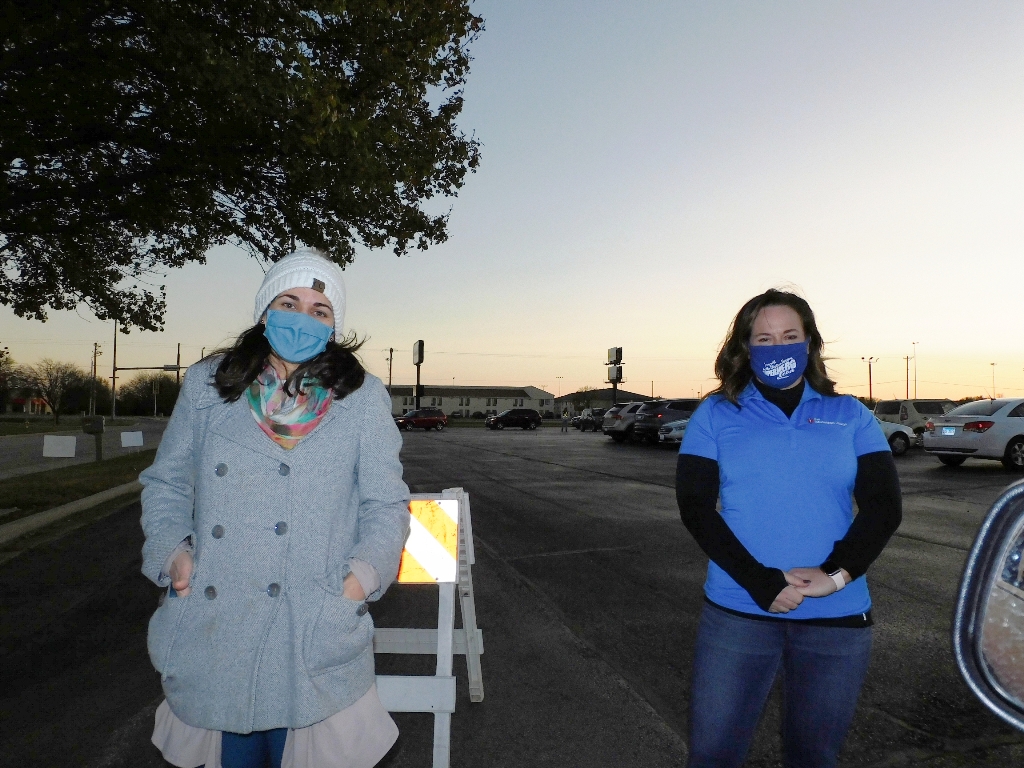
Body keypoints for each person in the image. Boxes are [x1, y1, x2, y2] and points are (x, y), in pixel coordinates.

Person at [140, 249, 411, 768]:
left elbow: (385, 503)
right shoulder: (208, 384)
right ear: (265, 312)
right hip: (218, 621)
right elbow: (167, 481)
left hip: (311, 618)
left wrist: (359, 580)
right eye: (289, 303)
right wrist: (174, 554)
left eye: (319, 310)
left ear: (333, 327)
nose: (302, 318)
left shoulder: (361, 397)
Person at [675, 289, 902, 768]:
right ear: (745, 347)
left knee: (814, 757)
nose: (777, 346)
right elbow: (695, 507)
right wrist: (760, 582)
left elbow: (884, 507)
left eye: (789, 335)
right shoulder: (715, 413)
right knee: (713, 754)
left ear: (810, 342)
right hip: (739, 610)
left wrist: (835, 574)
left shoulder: (851, 414)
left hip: (836, 616)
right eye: (764, 338)